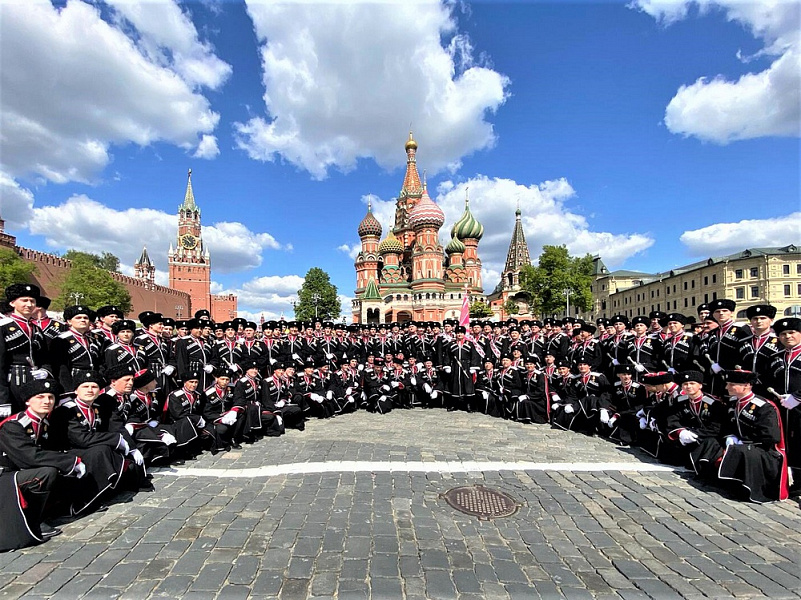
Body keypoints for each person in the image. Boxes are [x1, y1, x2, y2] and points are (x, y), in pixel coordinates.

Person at [718, 370, 789, 503]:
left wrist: (744, 441)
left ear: (746, 385)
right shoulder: (734, 402)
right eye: (727, 384)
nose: (727, 387)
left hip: (765, 451)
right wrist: (730, 436)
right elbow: (727, 425)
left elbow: (770, 436)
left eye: (731, 384)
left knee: (742, 451)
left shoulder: (764, 407)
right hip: (744, 445)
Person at [1, 284, 52, 416]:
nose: (29, 304)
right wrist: (3, 399)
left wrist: (45, 371)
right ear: (12, 303)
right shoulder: (3, 327)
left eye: (32, 301)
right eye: (24, 300)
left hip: (34, 382)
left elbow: (44, 357)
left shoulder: (36, 329)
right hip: (11, 381)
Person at [665, 371, 728, 477]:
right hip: (688, 437)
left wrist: (695, 433)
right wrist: (681, 432)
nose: (688, 386)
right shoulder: (680, 400)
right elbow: (672, 419)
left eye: (692, 383)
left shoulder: (714, 403)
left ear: (700, 385)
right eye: (685, 384)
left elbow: (717, 427)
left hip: (708, 437)